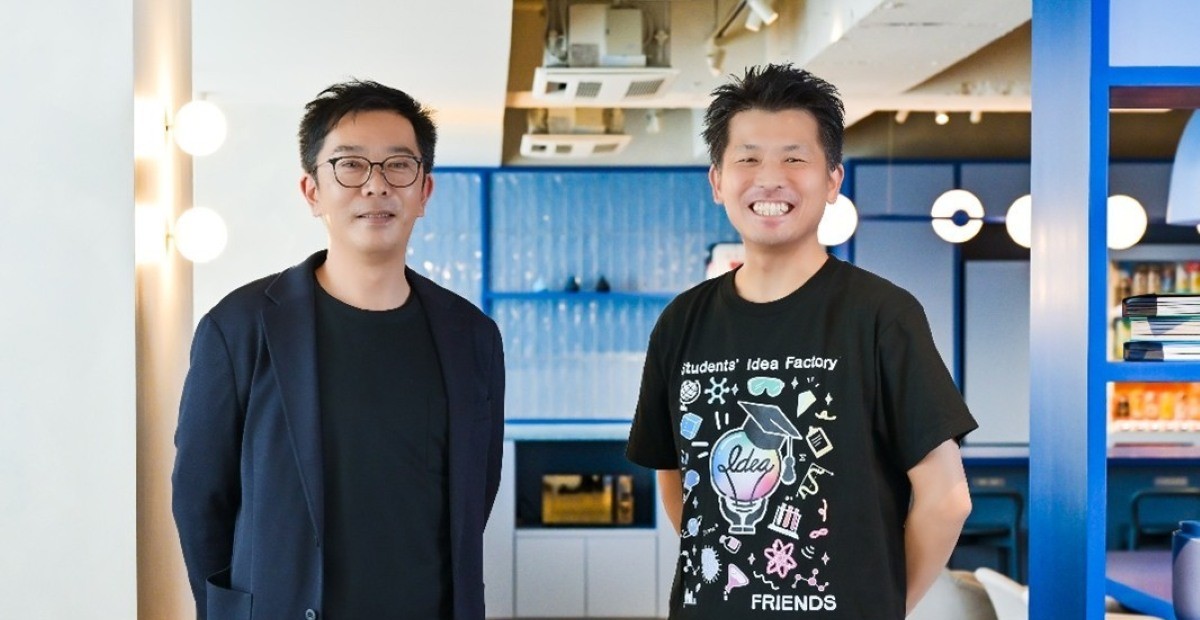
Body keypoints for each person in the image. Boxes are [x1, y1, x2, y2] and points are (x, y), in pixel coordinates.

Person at [625, 64, 977, 619]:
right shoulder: (681, 321)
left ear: (833, 181)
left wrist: (881, 606)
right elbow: (678, 479)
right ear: (717, 181)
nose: (770, 179)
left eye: (794, 159)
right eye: (748, 159)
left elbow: (947, 498)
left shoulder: (882, 315)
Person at [172, 80, 505, 620]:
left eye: (399, 166)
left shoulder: (473, 337)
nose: (376, 185)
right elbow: (200, 498)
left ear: (424, 191)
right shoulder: (238, 328)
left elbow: (476, 492)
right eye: (350, 165)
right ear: (312, 192)